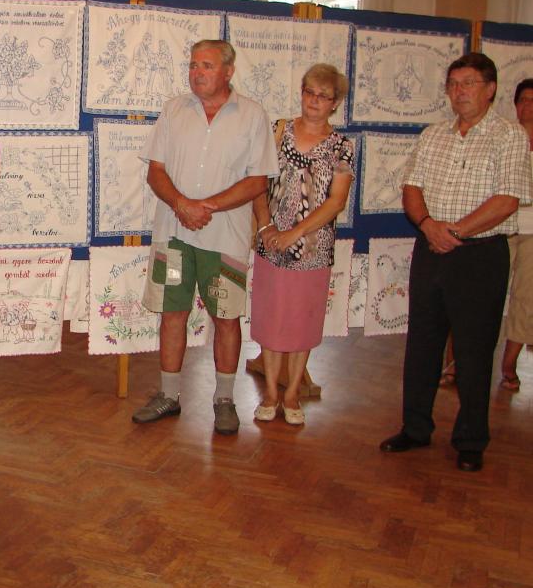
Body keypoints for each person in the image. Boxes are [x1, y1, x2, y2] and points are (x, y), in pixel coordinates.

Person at [380, 53, 532, 472]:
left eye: (468, 83)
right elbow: (412, 187)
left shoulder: (509, 135)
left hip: (480, 255)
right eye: (453, 84)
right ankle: (415, 428)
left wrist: (457, 232)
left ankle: (470, 439)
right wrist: (428, 225)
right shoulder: (434, 135)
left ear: (490, 89)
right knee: (422, 344)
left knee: (473, 349)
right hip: (431, 247)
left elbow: (507, 199)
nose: (459, 91)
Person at [135, 39, 279, 433]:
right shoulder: (174, 110)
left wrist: (206, 207)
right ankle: (168, 396)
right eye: (193, 65)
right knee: (172, 313)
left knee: (226, 317)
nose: (197, 72)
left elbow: (258, 181)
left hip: (225, 239)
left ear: (229, 71)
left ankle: (225, 400)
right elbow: (155, 172)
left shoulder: (252, 115)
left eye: (207, 66)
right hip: (174, 236)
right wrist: (182, 204)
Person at [251, 64, 355, 425]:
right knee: (270, 317)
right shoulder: (277, 131)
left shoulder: (342, 147)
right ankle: (270, 393)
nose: (314, 100)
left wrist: (294, 234)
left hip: (314, 248)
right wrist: (266, 226)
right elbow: (257, 182)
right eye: (309, 92)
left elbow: (336, 201)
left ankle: (293, 394)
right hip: (271, 243)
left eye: (323, 96)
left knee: (302, 320)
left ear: (335, 103)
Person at [501, 77, 533, 391]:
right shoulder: (505, 137)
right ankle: (458, 365)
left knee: (527, 298)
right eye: (523, 100)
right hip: (501, 227)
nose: (529, 107)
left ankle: (509, 364)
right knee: (483, 295)